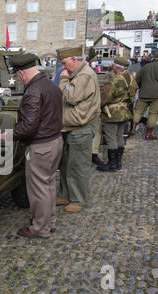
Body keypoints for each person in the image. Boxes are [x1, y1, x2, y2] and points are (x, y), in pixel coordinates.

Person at [1, 53, 63, 239]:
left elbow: (28, 127)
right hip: (55, 141)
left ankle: (39, 228)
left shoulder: (33, 90)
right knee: (48, 185)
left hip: (41, 146)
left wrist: (7, 136)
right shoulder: (50, 84)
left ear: (20, 73)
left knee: (38, 189)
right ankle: (48, 222)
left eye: (16, 75)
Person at [56, 46, 101, 213]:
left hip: (81, 127)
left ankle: (78, 199)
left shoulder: (85, 75)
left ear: (74, 60)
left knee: (78, 165)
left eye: (65, 63)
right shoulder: (78, 74)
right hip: (71, 126)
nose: (63, 67)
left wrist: (63, 81)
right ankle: (65, 194)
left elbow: (70, 96)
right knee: (67, 164)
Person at [97, 57, 138, 172]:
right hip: (125, 111)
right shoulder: (130, 78)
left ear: (115, 67)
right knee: (120, 136)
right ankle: (118, 162)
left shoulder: (115, 81)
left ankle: (112, 164)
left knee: (111, 138)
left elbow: (104, 97)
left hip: (113, 113)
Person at [129, 50, 158, 140]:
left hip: (144, 93)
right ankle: (148, 134)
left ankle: (133, 129)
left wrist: (143, 87)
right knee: (153, 114)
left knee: (138, 111)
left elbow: (138, 79)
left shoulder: (146, 67)